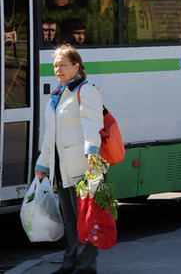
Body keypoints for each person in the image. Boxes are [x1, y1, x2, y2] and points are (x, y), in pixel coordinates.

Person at [34, 45, 104, 274]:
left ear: (77, 66)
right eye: (55, 65)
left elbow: (93, 126)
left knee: (86, 221)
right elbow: (49, 136)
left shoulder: (86, 90)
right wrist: (42, 165)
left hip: (81, 168)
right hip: (59, 169)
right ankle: (69, 263)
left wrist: (92, 159)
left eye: (63, 65)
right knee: (71, 223)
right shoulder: (56, 95)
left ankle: (85, 268)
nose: (58, 69)